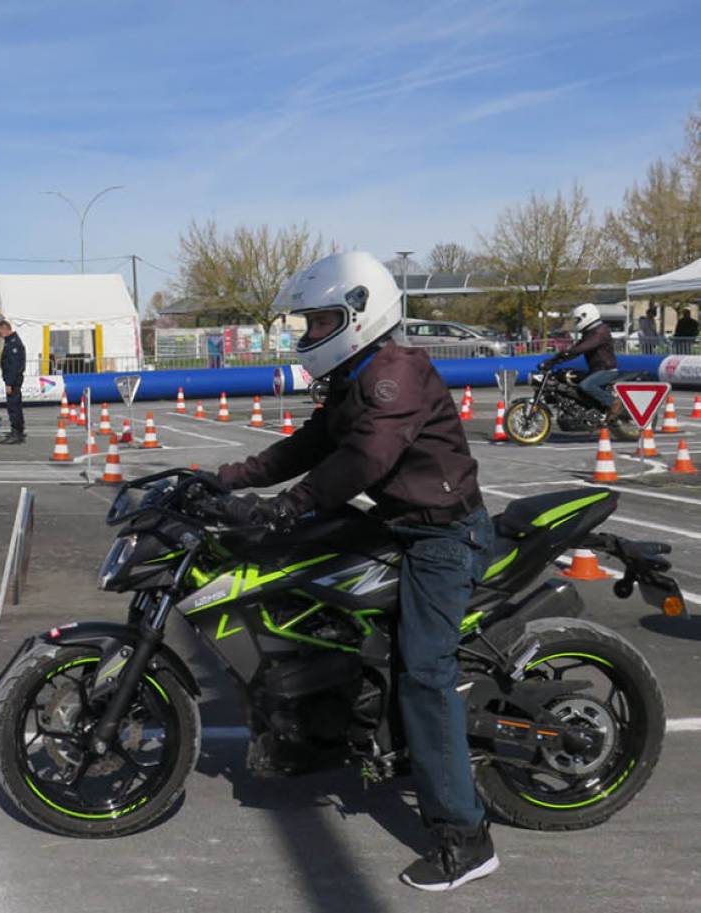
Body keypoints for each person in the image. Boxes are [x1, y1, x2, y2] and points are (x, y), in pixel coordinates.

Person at [207, 251, 497, 892]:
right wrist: (227, 480)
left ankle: (464, 838)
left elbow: (366, 456)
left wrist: (292, 504)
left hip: (439, 538)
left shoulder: (395, 375)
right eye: (307, 324)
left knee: (424, 675)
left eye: (317, 322)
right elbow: (312, 445)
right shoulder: (355, 377)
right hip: (395, 524)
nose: (308, 336)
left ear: (359, 314)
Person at [538, 304, 620, 424]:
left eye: (578, 320)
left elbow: (582, 348)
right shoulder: (589, 333)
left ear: (586, 316)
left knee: (586, 385)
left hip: (607, 370)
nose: (576, 323)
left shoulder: (600, 331)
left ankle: (613, 402)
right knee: (570, 382)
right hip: (596, 370)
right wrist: (554, 360)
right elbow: (575, 350)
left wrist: (567, 352)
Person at [0, 319, 26, 444]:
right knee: (14, 406)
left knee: (13, 407)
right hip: (12, 380)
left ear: (4, 329)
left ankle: (16, 433)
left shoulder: (13, 344)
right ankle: (18, 430)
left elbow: (14, 366)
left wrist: (9, 383)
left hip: (13, 381)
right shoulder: (10, 342)